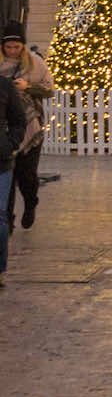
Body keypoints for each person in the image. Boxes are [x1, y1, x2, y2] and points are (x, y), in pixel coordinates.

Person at [0, 24, 52, 231]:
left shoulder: (35, 63)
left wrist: (27, 87)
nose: (12, 51)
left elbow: (49, 90)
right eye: (8, 47)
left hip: (31, 127)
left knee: (26, 175)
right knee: (7, 175)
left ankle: (31, 203)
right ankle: (8, 219)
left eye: (17, 47)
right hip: (5, 127)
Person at [0, 74, 25, 285]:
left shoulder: (4, 85)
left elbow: (18, 120)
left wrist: (10, 144)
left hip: (1, 160)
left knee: (0, 217)